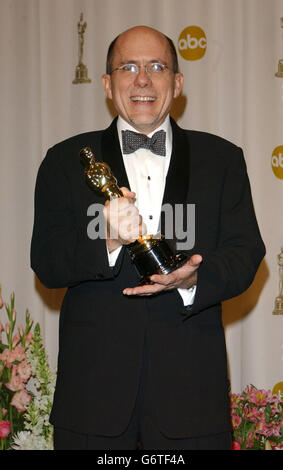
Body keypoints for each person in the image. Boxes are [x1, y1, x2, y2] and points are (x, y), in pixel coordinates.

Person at [31, 25, 265, 450]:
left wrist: (195, 279)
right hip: (92, 404)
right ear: (107, 83)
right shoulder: (65, 161)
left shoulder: (223, 159)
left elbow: (247, 252)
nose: (143, 79)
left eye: (157, 66)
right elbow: (46, 262)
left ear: (177, 82)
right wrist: (105, 238)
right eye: (128, 67)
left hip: (192, 400)